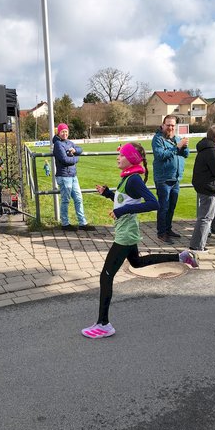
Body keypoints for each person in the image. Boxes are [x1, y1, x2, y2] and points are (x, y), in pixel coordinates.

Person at [81, 142, 199, 339]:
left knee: (105, 276)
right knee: (137, 262)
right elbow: (125, 201)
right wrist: (108, 194)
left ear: (131, 159)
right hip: (126, 230)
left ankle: (104, 324)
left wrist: (123, 211)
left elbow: (154, 203)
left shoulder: (134, 179)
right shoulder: (127, 178)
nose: (118, 158)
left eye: (122, 155)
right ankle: (181, 257)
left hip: (126, 234)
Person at [151, 115, 189, 243]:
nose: (171, 128)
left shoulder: (177, 138)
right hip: (163, 179)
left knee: (171, 206)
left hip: (175, 178)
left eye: (173, 125)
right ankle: (161, 233)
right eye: (168, 125)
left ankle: (168, 229)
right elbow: (160, 155)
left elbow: (186, 155)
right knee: (163, 207)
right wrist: (177, 147)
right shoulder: (158, 139)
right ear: (163, 125)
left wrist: (184, 146)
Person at [52, 123, 94, 231]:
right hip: (64, 176)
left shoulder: (69, 142)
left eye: (66, 131)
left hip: (73, 175)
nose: (64, 133)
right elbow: (65, 160)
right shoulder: (58, 144)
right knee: (65, 200)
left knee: (78, 199)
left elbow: (80, 149)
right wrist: (76, 159)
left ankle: (82, 223)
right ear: (58, 133)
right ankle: (65, 224)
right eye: (62, 132)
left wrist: (75, 151)